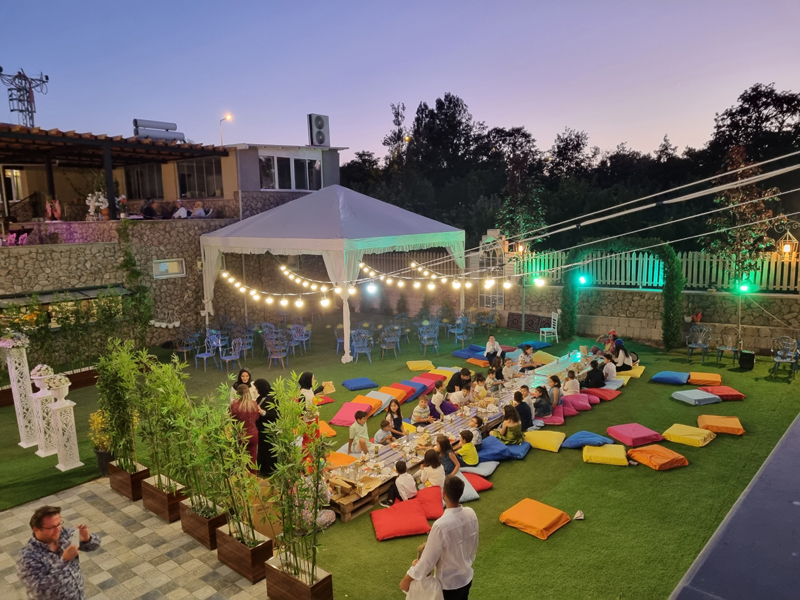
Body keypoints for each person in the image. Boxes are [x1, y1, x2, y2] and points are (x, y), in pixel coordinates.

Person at [400, 476, 479, 600]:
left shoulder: (440, 526)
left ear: (444, 494)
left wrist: (407, 579)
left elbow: (427, 560)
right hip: (466, 578)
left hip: (448, 585)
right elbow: (474, 544)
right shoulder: (471, 513)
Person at [17, 505, 102, 600]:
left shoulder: (64, 534)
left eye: (59, 524)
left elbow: (94, 546)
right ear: (36, 529)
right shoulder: (28, 557)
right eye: (52, 527)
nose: (58, 529)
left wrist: (87, 539)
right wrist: (64, 561)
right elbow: (39, 590)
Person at [231, 384, 265, 470]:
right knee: (253, 458)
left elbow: (232, 421)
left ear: (238, 394)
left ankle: (242, 475)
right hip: (253, 434)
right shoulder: (254, 404)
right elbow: (256, 417)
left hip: (241, 435)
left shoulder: (235, 406)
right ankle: (253, 475)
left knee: (240, 458)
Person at [254, 378, 278, 477]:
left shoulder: (272, 398)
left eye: (257, 388)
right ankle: (262, 468)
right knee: (262, 449)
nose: (256, 390)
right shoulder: (260, 397)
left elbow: (275, 414)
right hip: (261, 429)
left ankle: (270, 469)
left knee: (269, 450)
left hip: (269, 429)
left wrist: (263, 412)